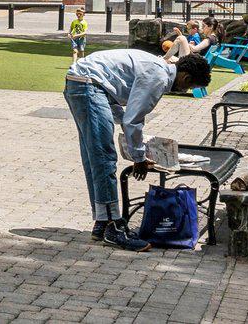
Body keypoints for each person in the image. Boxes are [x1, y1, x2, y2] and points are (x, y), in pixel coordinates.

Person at [65, 40, 213, 252]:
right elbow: (132, 121)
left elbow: (123, 113)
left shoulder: (158, 67)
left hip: (82, 81)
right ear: (186, 78)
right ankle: (112, 226)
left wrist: (138, 146)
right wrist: (139, 157)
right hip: (88, 84)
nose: (184, 90)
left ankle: (102, 221)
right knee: (103, 158)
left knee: (95, 157)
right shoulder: (159, 77)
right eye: (189, 86)